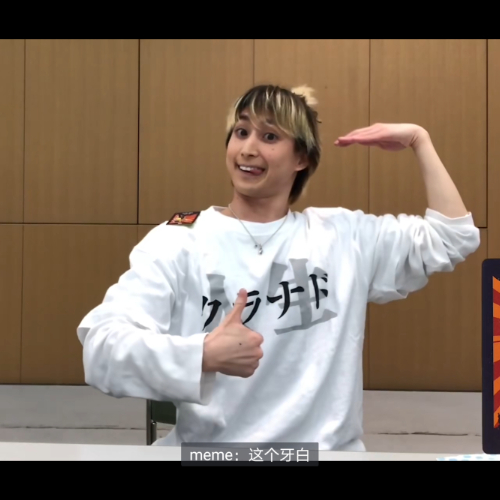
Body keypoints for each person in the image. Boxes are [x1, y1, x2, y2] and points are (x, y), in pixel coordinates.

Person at [77, 84, 480, 451]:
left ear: (301, 157)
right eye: (241, 132)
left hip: (321, 455)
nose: (248, 149)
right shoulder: (180, 238)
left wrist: (419, 140)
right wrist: (201, 354)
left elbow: (453, 237)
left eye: (270, 137)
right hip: (215, 454)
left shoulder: (342, 236)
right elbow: (102, 346)